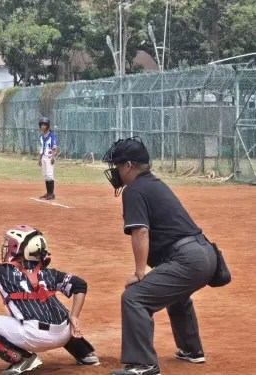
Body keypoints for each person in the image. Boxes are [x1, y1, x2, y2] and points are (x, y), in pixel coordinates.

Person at [101, 137, 218, 375]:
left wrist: (139, 272)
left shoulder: (133, 190)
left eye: (117, 165)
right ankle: (191, 350)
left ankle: (143, 364)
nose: (115, 171)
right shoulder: (154, 183)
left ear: (129, 166)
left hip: (188, 259)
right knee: (175, 293)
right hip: (206, 254)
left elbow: (141, 231)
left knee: (134, 297)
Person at [0, 225, 99, 375]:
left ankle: (22, 359)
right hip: (66, 334)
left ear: (17, 248)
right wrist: (74, 316)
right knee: (59, 316)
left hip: (35, 337)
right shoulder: (50, 272)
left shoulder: (1, 272)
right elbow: (79, 284)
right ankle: (85, 354)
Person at [38, 117, 57, 200]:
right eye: (41, 125)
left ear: (47, 126)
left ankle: (51, 194)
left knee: (49, 175)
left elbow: (54, 147)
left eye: (44, 125)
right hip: (44, 157)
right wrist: (39, 159)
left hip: (49, 157)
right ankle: (48, 193)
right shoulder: (41, 137)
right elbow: (41, 149)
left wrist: (53, 157)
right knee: (45, 176)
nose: (42, 126)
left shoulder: (51, 135)